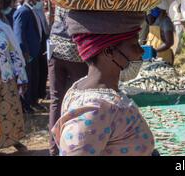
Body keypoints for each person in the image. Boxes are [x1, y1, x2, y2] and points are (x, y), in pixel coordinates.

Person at [51, 11, 155, 156]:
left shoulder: (84, 89)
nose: (140, 52)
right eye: (134, 44)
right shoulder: (94, 110)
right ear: (109, 52)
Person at [47, 6, 88, 156]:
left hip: (55, 47)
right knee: (81, 98)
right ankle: (74, 146)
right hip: (74, 51)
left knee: (56, 99)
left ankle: (53, 149)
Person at [0, 0, 28, 152]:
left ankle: (13, 140)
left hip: (5, 78)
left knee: (9, 110)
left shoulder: (3, 28)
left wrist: (22, 77)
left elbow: (15, 53)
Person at [13, 0, 44, 113]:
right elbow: (19, 34)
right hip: (27, 54)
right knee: (27, 79)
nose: (40, 2)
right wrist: (24, 51)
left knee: (33, 78)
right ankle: (25, 106)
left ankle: (32, 102)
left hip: (34, 52)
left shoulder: (30, 10)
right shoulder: (23, 11)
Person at [34, 0, 50, 101]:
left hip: (43, 43)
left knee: (43, 70)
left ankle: (41, 92)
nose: (42, 1)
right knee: (36, 73)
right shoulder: (27, 11)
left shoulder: (39, 11)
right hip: (36, 47)